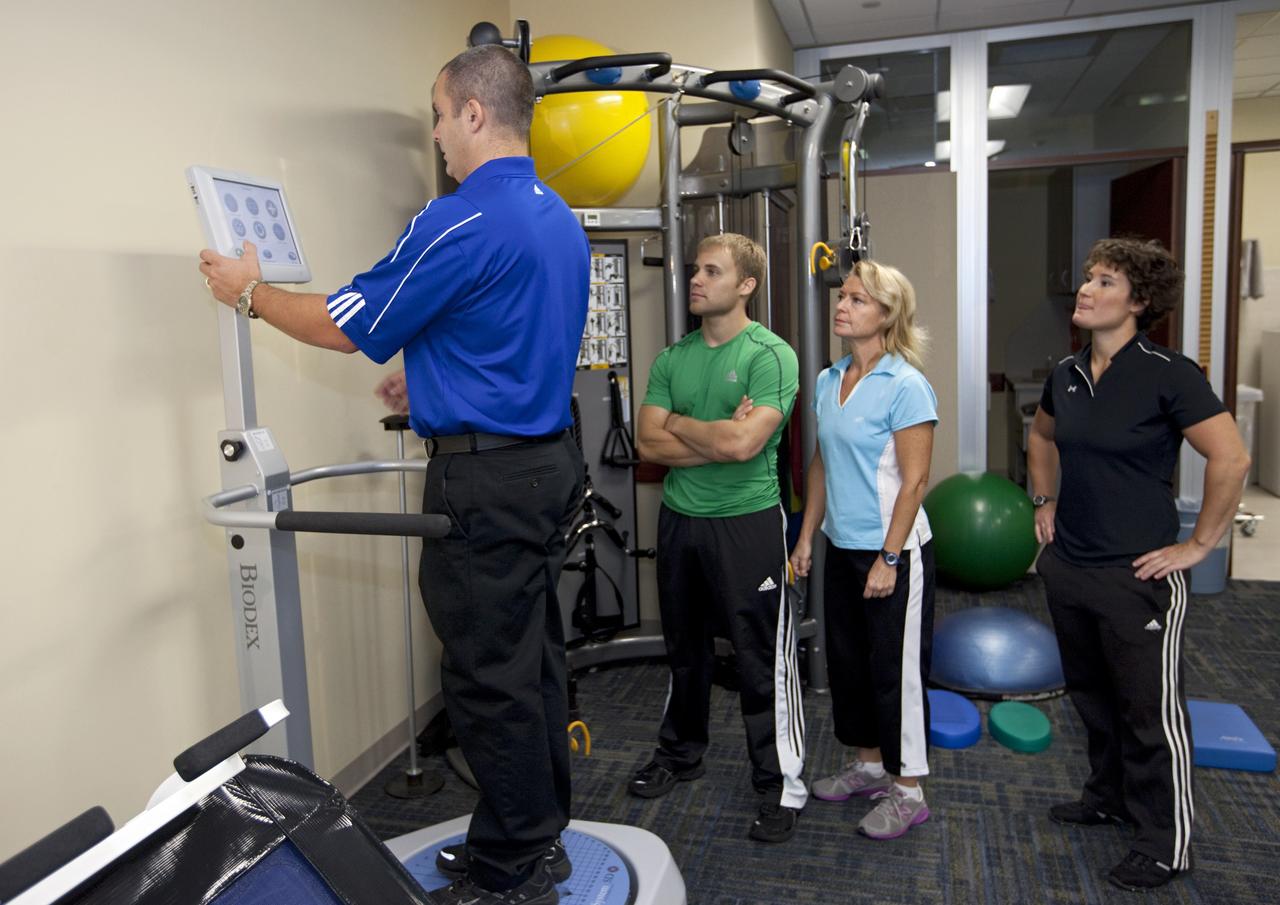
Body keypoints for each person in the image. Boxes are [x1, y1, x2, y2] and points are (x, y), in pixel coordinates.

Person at [199, 44, 588, 905]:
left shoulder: (457, 217)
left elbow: (347, 323)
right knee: (532, 661)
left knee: (487, 676)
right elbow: (511, 332)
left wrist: (247, 290)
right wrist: (434, 379)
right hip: (548, 462)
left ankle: (512, 870)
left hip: (485, 485)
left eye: (443, 114)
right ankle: (532, 836)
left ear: (476, 115)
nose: (442, 133)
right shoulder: (556, 215)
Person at [1027, 237, 1250, 893]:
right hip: (1071, 563)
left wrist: (1199, 545)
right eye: (1087, 279)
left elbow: (1230, 459)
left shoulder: (1167, 371)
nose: (1087, 290)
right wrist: (1044, 500)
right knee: (1093, 698)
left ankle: (1165, 841)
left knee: (1150, 714)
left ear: (1139, 301)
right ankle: (1108, 795)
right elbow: (1041, 436)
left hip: (1139, 574)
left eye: (1105, 282)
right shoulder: (1067, 373)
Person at [629, 233, 807, 842]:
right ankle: (680, 753)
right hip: (681, 521)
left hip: (749, 522)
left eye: (712, 271)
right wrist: (707, 435)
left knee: (761, 661)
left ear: (747, 285)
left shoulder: (771, 355)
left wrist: (682, 429)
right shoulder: (672, 358)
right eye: (695, 270)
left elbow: (744, 445)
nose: (696, 280)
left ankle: (778, 784)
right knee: (684, 651)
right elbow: (647, 443)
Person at [789, 260, 937, 840]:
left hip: (892, 552)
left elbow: (916, 480)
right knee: (849, 663)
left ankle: (908, 792)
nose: (841, 306)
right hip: (841, 546)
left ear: (887, 315)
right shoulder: (830, 380)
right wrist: (805, 535)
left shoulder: (905, 385)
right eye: (842, 296)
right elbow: (823, 461)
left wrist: (891, 557)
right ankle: (871, 767)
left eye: (856, 299)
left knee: (893, 673)